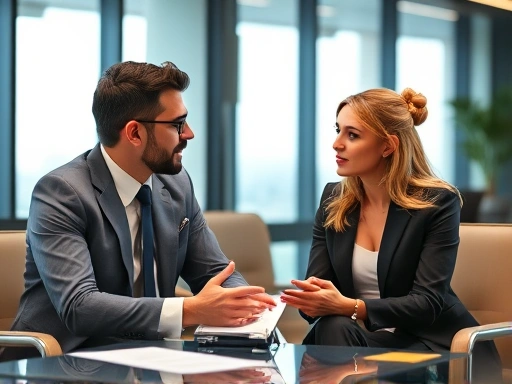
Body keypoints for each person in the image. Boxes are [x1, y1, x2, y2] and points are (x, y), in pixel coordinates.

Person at [2, 61, 275, 361]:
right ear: (134, 133)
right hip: (66, 364)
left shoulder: (177, 184)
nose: (190, 134)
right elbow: (80, 307)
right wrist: (190, 310)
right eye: (177, 124)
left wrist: (247, 307)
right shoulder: (61, 192)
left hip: (155, 362)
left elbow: (215, 271)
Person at [281, 88, 502, 382]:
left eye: (352, 135)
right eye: (338, 130)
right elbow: (318, 303)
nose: (336, 144)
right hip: (369, 347)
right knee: (332, 327)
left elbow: (427, 304)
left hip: (432, 345)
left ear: (387, 146)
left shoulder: (437, 203)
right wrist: (311, 300)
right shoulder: (333, 200)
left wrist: (350, 307)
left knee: (336, 340)